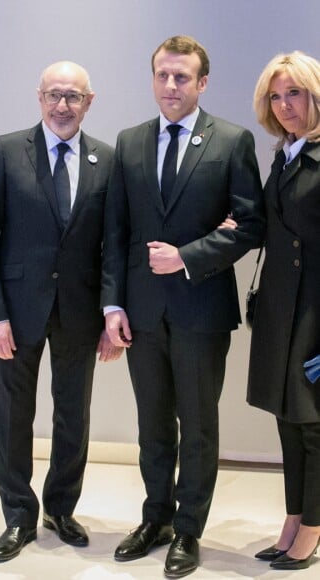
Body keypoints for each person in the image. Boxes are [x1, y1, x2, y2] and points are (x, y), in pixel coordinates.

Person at [101, 36, 264, 577]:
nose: (171, 86)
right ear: (153, 79)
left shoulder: (231, 141)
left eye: (182, 77)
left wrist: (188, 256)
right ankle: (156, 518)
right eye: (163, 76)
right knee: (152, 426)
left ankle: (189, 531)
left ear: (202, 83)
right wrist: (113, 305)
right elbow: (117, 233)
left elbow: (252, 223)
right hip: (142, 314)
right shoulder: (129, 142)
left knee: (197, 426)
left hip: (201, 312)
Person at [0, 61, 121, 563]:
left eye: (73, 96)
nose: (63, 105)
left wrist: (108, 314)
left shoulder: (107, 159)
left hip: (79, 314)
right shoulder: (7, 151)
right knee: (13, 416)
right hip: (15, 313)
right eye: (54, 95)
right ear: (39, 98)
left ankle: (61, 506)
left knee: (73, 415)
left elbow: (111, 247)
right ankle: (18, 515)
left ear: (89, 101)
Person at [247, 51, 320, 571]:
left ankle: (313, 525)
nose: (285, 104)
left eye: (294, 92)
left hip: (317, 310)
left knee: (314, 425)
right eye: (276, 95)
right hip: (281, 308)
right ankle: (294, 517)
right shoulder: (285, 155)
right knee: (287, 420)